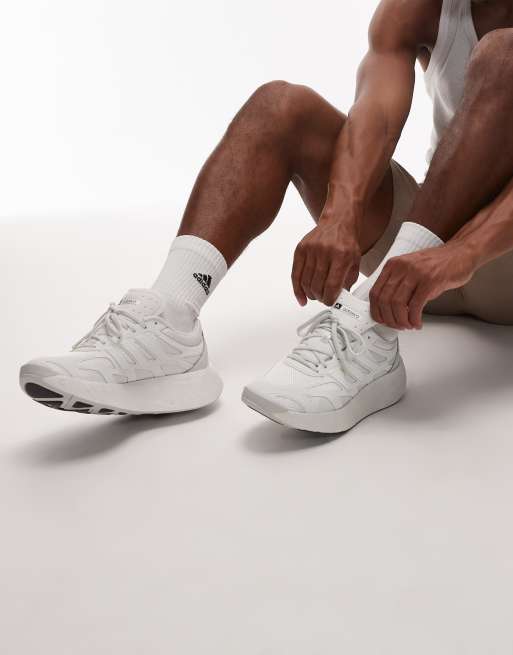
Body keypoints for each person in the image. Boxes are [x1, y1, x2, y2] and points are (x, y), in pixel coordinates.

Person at [20, 0, 513, 432]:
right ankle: (170, 322)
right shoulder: (422, 7)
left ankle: (366, 326)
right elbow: (376, 112)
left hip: (497, 258)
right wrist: (339, 217)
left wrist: (465, 252)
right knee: (282, 107)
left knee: (505, 56)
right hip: (415, 261)